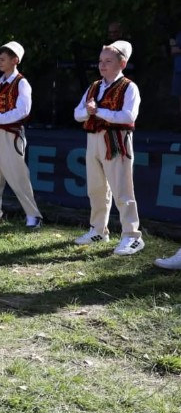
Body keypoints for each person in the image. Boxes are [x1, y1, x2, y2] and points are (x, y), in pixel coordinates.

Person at [72, 40, 143, 255]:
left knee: (122, 190)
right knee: (96, 188)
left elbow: (129, 116)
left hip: (116, 140)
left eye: (108, 61)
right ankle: (98, 230)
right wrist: (90, 111)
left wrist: (98, 111)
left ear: (122, 63)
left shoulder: (129, 87)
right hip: (94, 140)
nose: (102, 65)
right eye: (101, 61)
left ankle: (132, 236)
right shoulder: (95, 86)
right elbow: (77, 113)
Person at [0, 41, 43, 229]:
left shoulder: (22, 83)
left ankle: (33, 215)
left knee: (18, 176)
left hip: (11, 135)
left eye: (3, 59)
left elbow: (23, 111)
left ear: (15, 60)